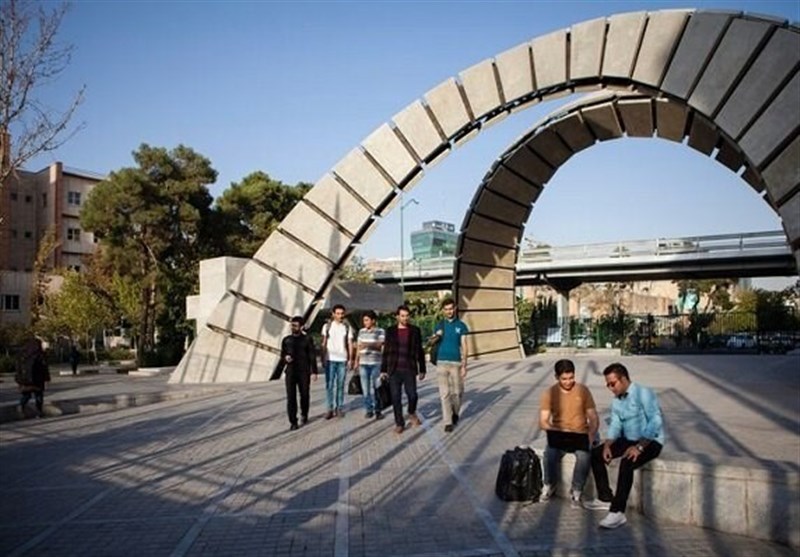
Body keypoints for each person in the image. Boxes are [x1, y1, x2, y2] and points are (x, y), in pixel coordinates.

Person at [584, 362, 665, 529]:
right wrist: (608, 444)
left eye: (612, 383)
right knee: (596, 454)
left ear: (623, 379)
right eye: (607, 384)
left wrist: (640, 447)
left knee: (627, 461)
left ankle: (617, 512)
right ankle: (605, 497)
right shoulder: (617, 401)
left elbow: (656, 421)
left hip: (650, 441)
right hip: (628, 439)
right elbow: (615, 424)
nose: (610, 388)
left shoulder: (643, 393)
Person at [538, 359, 599, 508]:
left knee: (584, 456)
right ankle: (549, 485)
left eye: (571, 378)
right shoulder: (549, 393)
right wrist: (555, 430)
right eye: (564, 379)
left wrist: (591, 435)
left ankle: (576, 491)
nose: (568, 382)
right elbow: (543, 421)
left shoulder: (583, 390)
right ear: (556, 377)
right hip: (559, 435)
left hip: (580, 433)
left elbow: (593, 417)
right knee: (549, 454)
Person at [380, 305, 426, 434]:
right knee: (396, 398)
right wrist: (383, 369)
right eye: (402, 316)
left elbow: (420, 350)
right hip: (394, 369)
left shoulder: (415, 330)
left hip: (409, 369)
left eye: (407, 316)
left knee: (413, 395)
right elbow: (386, 351)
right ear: (397, 317)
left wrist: (422, 368)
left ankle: (411, 411)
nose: (405, 318)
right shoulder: (390, 331)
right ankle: (399, 423)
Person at [431, 297, 469, 432]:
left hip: (456, 363)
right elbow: (432, 342)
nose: (449, 311)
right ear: (443, 310)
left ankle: (455, 413)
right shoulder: (439, 325)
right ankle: (447, 422)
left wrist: (464, 365)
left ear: (455, 309)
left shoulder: (461, 326)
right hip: (441, 362)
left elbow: (464, 345)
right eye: (446, 309)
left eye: (451, 309)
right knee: (445, 393)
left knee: (457, 392)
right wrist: (436, 336)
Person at [277, 316, 318, 430]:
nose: (293, 327)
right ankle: (293, 421)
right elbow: (282, 355)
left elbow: (312, 355)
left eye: (295, 325)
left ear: (301, 327)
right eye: (292, 325)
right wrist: (285, 358)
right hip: (291, 372)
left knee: (304, 395)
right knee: (291, 397)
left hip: (304, 372)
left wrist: (314, 371)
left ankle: (304, 414)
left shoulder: (307, 339)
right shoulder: (287, 340)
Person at [321, 304, 354, 419]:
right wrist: (323, 357)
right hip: (330, 359)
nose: (340, 316)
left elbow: (350, 343)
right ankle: (329, 409)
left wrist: (350, 359)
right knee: (329, 385)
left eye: (342, 314)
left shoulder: (347, 327)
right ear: (333, 314)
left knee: (340, 385)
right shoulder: (327, 326)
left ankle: (339, 407)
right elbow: (324, 342)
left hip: (342, 359)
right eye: (338, 313)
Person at [355, 310, 385, 420]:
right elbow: (358, 347)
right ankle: (369, 409)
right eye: (364, 320)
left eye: (367, 320)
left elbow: (380, 345)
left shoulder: (380, 331)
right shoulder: (361, 331)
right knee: (365, 389)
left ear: (373, 320)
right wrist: (356, 361)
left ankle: (378, 410)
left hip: (376, 363)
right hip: (363, 363)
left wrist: (366, 345)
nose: (365, 322)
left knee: (377, 387)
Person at [15, 338, 51, 418]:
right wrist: (47, 378)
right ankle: (39, 412)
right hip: (38, 379)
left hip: (25, 380)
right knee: (39, 396)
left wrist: (18, 379)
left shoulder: (22, 354)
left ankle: (21, 405)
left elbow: (18, 367)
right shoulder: (40, 354)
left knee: (26, 395)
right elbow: (44, 368)